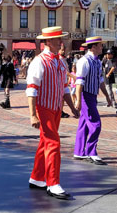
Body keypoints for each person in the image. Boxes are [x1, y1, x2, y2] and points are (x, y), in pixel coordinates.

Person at [26, 26, 79, 200]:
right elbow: (32, 89)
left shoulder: (61, 62)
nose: (60, 42)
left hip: (56, 108)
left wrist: (71, 107)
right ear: (48, 42)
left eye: (60, 38)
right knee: (53, 143)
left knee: (45, 142)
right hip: (44, 107)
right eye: (57, 39)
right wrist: (33, 114)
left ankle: (36, 177)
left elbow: (65, 88)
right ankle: (53, 183)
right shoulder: (39, 62)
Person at [73, 37, 111, 165]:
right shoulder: (84, 61)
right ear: (93, 47)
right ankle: (91, 152)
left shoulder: (98, 62)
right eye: (100, 45)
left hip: (92, 96)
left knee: (83, 125)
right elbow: (79, 82)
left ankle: (79, 151)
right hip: (85, 96)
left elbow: (100, 81)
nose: (102, 47)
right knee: (96, 124)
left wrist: (106, 95)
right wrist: (78, 100)